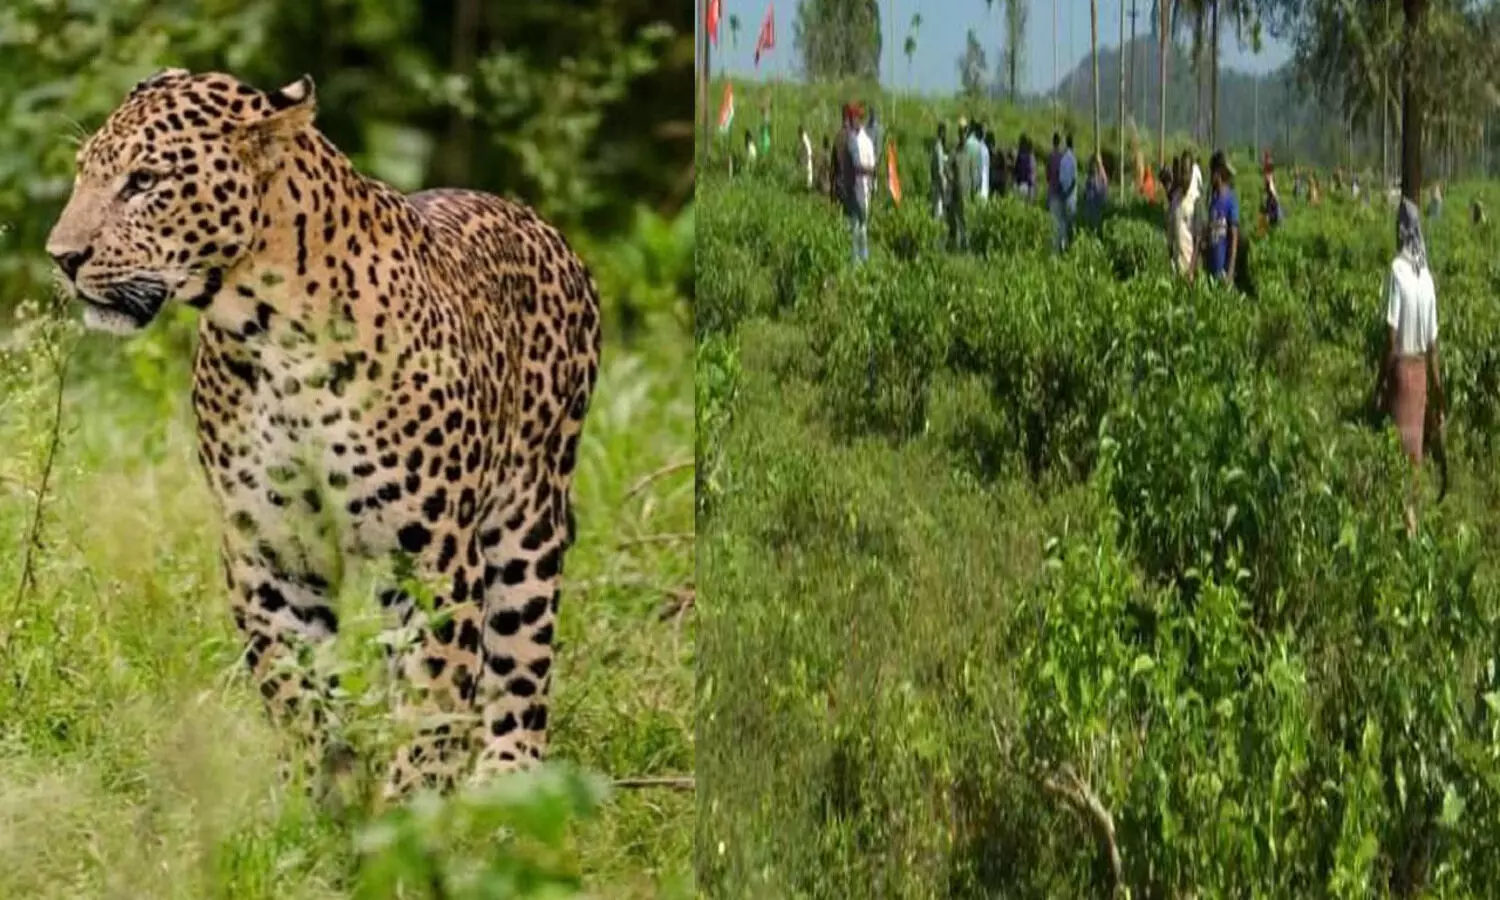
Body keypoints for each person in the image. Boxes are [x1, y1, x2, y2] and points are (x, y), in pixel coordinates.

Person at [1372, 199, 1444, 534]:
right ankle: (1411, 525)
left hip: (1402, 370)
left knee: (1395, 454)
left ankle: (1405, 529)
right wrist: (1438, 391)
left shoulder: (1397, 271)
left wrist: (1379, 383)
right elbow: (1433, 347)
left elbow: (1391, 335)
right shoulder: (1427, 278)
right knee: (1414, 454)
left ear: (1399, 230)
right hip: (1421, 377)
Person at [846, 104, 876, 265]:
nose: (851, 122)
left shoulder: (862, 142)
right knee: (858, 225)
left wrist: (863, 172)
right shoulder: (858, 140)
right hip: (859, 187)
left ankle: (860, 258)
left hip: (861, 187)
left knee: (860, 225)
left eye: (853, 119)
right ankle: (860, 258)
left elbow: (869, 167)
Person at [1204, 150, 1240, 285]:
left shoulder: (1231, 200)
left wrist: (1229, 272)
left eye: (1212, 172)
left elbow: (1234, 238)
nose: (1210, 176)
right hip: (1212, 272)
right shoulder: (1213, 200)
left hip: (1223, 273)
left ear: (1217, 173)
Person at [949, 124, 972, 252]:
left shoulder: (969, 152)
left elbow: (973, 171)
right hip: (956, 192)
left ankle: (966, 245)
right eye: (961, 132)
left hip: (967, 192)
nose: (963, 134)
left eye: (965, 132)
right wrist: (952, 179)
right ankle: (957, 247)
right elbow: (947, 168)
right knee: (957, 220)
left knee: (966, 219)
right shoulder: (955, 152)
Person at [1083, 153, 1108, 231]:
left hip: (1096, 202)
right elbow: (1087, 187)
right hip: (1090, 202)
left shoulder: (1101, 173)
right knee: (1090, 222)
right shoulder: (1091, 173)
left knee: (1096, 222)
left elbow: (1104, 187)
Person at [930, 122, 949, 221]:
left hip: (937, 185)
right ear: (942, 133)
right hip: (938, 186)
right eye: (944, 132)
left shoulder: (937, 146)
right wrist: (943, 190)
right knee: (938, 214)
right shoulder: (938, 148)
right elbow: (940, 171)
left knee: (938, 213)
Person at [1015, 134, 1036, 200]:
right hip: (1029, 184)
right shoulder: (1030, 156)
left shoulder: (1020, 156)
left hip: (1022, 183)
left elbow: (1016, 170)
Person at [975, 121, 991, 201]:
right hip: (980, 185)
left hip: (984, 184)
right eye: (983, 131)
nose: (984, 133)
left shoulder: (984, 147)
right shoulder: (980, 147)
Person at [797, 125, 814, 191]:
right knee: (808, 173)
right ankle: (807, 186)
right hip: (807, 157)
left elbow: (808, 149)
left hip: (808, 158)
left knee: (809, 173)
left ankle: (808, 188)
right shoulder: (803, 138)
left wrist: (805, 158)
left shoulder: (804, 138)